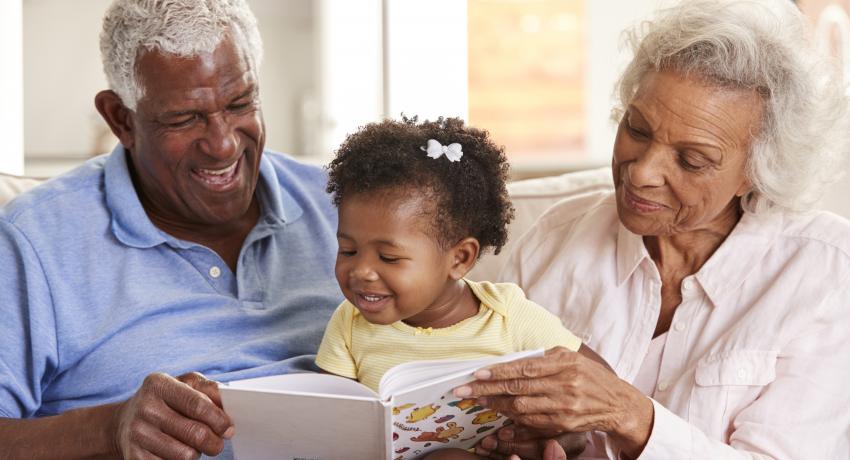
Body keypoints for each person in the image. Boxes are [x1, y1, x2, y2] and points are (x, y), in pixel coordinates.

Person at [453, 0, 850, 459]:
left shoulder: (826, 274)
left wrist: (630, 415)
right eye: (637, 130)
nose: (641, 172)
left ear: (758, 172)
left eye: (692, 160)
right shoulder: (556, 239)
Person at [0, 0, 342, 458]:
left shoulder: (342, 205)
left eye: (240, 103)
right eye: (185, 118)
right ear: (121, 119)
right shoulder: (33, 241)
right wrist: (109, 428)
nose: (222, 144)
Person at [315, 117, 596, 459]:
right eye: (348, 250)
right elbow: (327, 424)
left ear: (460, 258)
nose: (360, 271)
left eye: (388, 257)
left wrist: (559, 437)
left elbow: (597, 387)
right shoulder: (349, 323)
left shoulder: (508, 317)